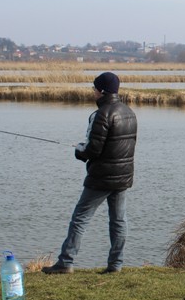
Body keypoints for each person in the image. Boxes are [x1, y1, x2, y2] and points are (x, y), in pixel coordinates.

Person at [42, 72, 137, 274]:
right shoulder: (129, 112)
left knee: (80, 218)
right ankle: (116, 265)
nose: (93, 91)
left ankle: (66, 262)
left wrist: (79, 151)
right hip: (123, 177)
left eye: (94, 88)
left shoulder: (101, 114)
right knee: (119, 221)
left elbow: (93, 149)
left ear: (101, 91)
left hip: (101, 177)